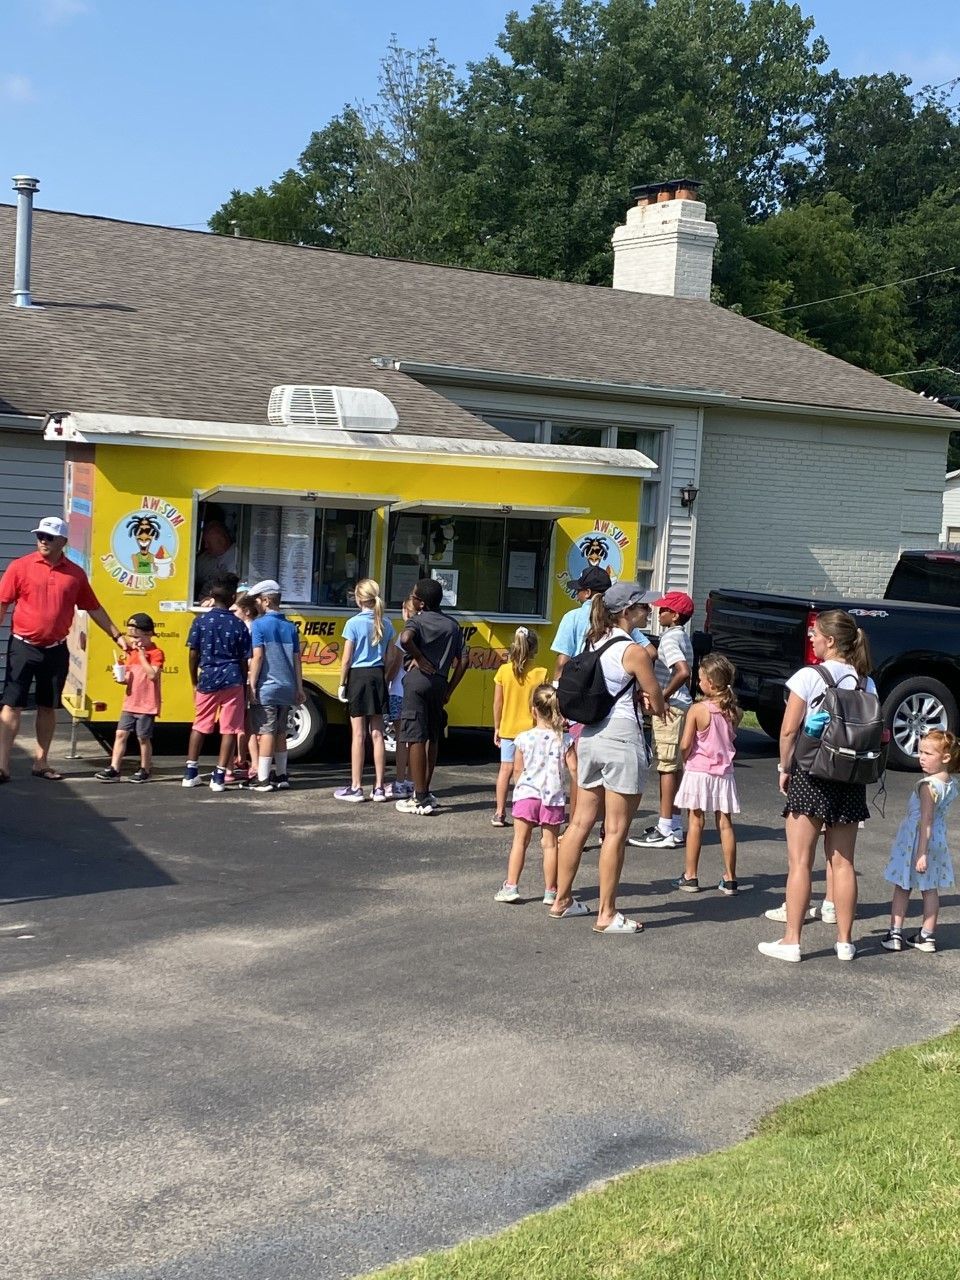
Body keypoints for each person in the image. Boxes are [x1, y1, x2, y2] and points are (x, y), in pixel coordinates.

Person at [759, 609, 875, 963]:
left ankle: (792, 940)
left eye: (815, 633)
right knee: (843, 863)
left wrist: (784, 766)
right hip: (850, 776)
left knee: (800, 862)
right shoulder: (864, 681)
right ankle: (845, 941)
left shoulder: (808, 676)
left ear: (831, 640)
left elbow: (789, 729)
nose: (811, 638)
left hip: (812, 773)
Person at [549, 583, 665, 933]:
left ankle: (562, 899)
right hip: (621, 738)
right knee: (615, 830)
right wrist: (655, 707)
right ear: (627, 611)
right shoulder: (633, 651)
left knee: (579, 824)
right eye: (643, 607)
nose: (649, 612)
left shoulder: (592, 642)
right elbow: (655, 695)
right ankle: (607, 913)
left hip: (590, 736)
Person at [0, 516, 128, 783]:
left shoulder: (75, 574)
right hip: (23, 646)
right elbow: (2, 603)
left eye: (49, 537)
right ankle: (2, 765)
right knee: (12, 705)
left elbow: (93, 607)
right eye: (40, 536)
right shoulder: (20, 567)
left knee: (48, 706)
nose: (43, 541)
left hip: (56, 649)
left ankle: (41, 762)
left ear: (63, 542)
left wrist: (116, 634)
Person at [881, 729, 959, 954]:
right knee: (929, 887)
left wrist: (921, 852)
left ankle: (895, 932)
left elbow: (925, 819)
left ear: (945, 758)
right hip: (937, 838)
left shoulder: (927, 785)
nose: (921, 757)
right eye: (920, 751)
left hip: (916, 840)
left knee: (903, 885)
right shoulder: (949, 783)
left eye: (928, 753)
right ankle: (926, 935)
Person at [395, 577, 468, 816]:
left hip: (417, 681)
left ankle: (419, 797)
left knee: (415, 736)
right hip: (439, 683)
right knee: (432, 735)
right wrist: (449, 689)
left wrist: (419, 657)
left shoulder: (417, 620)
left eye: (415, 596)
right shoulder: (452, 625)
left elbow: (405, 640)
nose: (412, 599)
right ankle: (426, 789)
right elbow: (464, 660)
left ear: (422, 603)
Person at [495, 684, 574, 904]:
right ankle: (551, 891)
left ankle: (511, 886)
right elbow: (574, 769)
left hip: (527, 794)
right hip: (553, 797)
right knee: (549, 844)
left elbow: (518, 770)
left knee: (520, 841)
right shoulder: (565, 740)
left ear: (533, 711)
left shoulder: (523, 738)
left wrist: (522, 786)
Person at [671, 653, 742, 894]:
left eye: (701, 679)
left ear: (710, 682)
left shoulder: (697, 710)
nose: (698, 682)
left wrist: (686, 757)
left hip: (699, 770)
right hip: (724, 774)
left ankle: (691, 875)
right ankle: (730, 877)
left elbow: (684, 744)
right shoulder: (734, 712)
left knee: (695, 821)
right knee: (725, 823)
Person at [634, 591, 695, 849]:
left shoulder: (670, 639)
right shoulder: (682, 636)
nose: (659, 612)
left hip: (671, 710)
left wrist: (663, 696)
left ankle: (665, 827)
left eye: (664, 610)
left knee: (667, 767)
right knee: (676, 766)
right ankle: (676, 825)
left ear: (676, 615)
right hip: (684, 707)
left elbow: (682, 671)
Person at [182, 573, 251, 793]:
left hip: (208, 678)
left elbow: (193, 653)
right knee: (229, 729)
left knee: (200, 725)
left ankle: (190, 772)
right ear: (233, 598)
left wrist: (194, 680)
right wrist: (243, 685)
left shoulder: (200, 621)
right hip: (232, 680)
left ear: (211, 595)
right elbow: (243, 659)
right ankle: (220, 776)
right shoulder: (239, 625)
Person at [550, 566, 611, 815]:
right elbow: (648, 651)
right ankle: (605, 826)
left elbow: (563, 660)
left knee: (578, 765)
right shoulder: (614, 618)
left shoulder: (573, 617)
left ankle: (576, 822)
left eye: (579, 591)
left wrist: (557, 691)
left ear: (587, 592)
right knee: (606, 768)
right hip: (608, 695)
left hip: (578, 697)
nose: (577, 595)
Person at [334, 578, 396, 802]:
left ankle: (356, 786)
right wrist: (385, 678)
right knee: (378, 734)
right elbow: (391, 657)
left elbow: (347, 658)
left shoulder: (353, 623)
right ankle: (379, 787)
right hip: (377, 676)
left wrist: (342, 683)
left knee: (358, 735)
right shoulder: (387, 623)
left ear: (359, 599)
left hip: (358, 678)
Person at [247, 579, 304, 793]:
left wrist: (252, 685)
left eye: (258, 601)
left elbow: (258, 657)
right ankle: (281, 775)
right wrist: (298, 688)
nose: (256, 605)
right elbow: (297, 660)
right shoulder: (290, 626)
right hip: (287, 687)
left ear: (267, 600)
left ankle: (262, 778)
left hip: (267, 687)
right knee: (281, 731)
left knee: (266, 730)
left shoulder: (259, 625)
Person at [94, 613, 164, 783]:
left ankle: (145, 769)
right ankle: (114, 768)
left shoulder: (156, 653)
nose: (133, 641)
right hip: (131, 702)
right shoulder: (132, 653)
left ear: (148, 634)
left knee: (143, 737)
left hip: (147, 704)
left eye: (136, 636)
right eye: (131, 636)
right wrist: (121, 678)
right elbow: (131, 678)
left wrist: (142, 656)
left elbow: (153, 675)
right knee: (120, 734)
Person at [492, 627, 547, 826]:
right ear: (534, 648)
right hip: (532, 731)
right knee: (528, 772)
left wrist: (497, 727)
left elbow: (498, 703)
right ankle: (524, 810)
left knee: (505, 769)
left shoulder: (503, 671)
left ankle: (499, 813)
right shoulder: (541, 673)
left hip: (508, 729)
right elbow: (542, 705)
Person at [385, 593, 416, 801]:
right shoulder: (425, 634)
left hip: (398, 691)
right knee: (415, 740)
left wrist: (385, 681)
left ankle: (399, 782)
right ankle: (413, 781)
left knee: (401, 740)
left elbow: (395, 664)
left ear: (406, 612)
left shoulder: (403, 636)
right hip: (416, 694)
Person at [228, 593, 260, 784]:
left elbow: (249, 658)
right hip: (249, 679)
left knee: (237, 725)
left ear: (246, 611)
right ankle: (250, 762)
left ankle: (238, 764)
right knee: (248, 726)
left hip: (244, 679)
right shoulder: (255, 626)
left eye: (235, 610)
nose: (232, 614)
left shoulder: (245, 629)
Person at [194, 516, 237, 593]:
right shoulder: (204, 558)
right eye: (205, 542)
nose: (205, 546)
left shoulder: (237, 558)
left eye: (208, 542)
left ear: (222, 541)